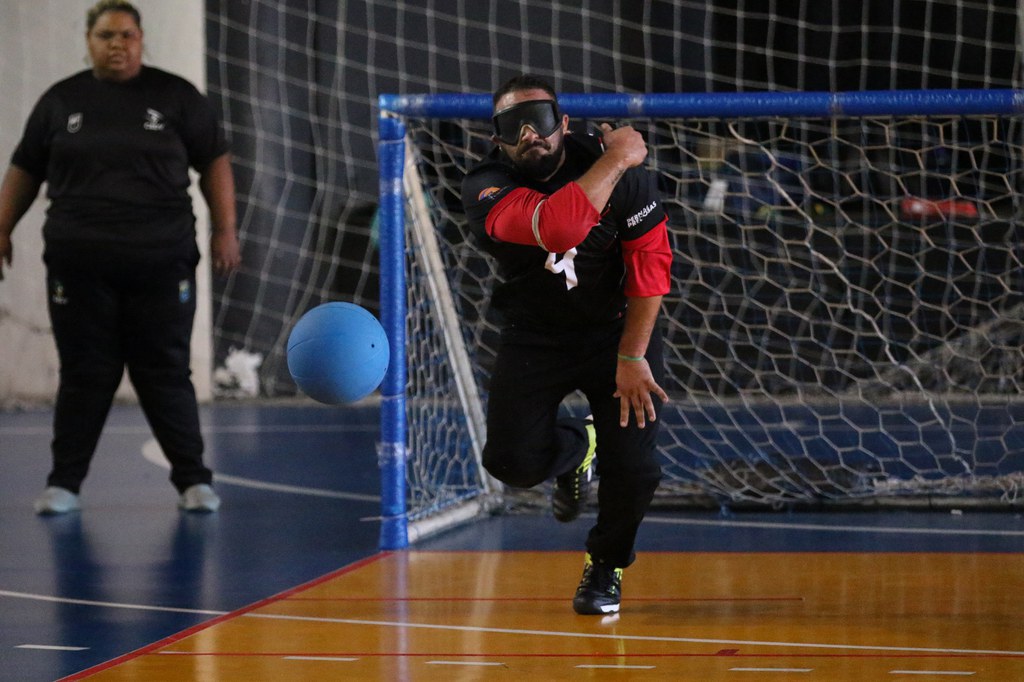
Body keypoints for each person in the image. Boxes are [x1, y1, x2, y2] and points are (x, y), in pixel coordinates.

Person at [0, 0, 240, 515]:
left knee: (166, 369)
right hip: (78, 265)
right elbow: (24, 168)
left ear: (141, 39)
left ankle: (194, 482)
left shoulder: (176, 97)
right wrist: (2, 228)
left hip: (162, 261)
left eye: (127, 35)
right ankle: (64, 484)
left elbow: (215, 162)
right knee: (85, 371)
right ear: (89, 40)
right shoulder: (61, 101)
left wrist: (227, 231)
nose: (118, 45)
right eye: (107, 35)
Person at [461, 75, 672, 615]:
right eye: (514, 124)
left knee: (638, 470)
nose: (532, 133)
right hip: (536, 332)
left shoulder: (628, 181)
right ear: (498, 139)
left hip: (615, 332)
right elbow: (559, 229)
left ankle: (605, 566)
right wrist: (619, 157)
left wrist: (631, 355)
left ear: (566, 124)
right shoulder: (486, 186)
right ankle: (576, 449)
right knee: (510, 462)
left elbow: (652, 269)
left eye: (542, 118)